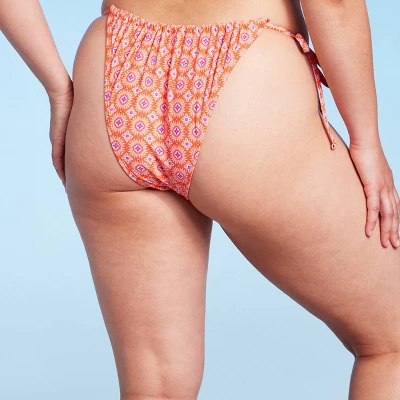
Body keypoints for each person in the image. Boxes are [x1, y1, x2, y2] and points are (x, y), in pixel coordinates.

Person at [1, 0, 400, 398]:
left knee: (155, 388)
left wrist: (58, 88)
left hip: (117, 74)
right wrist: (365, 140)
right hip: (245, 80)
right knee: (390, 343)